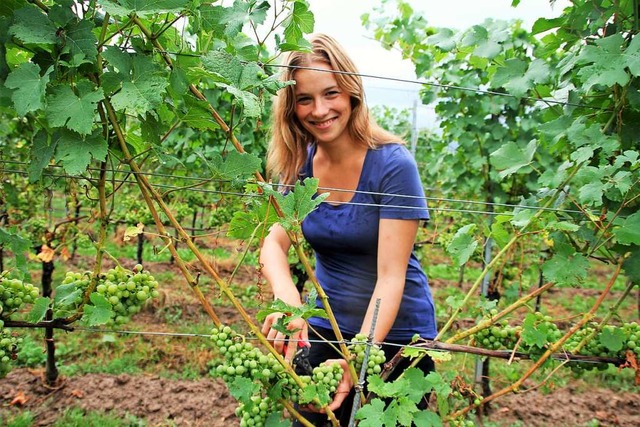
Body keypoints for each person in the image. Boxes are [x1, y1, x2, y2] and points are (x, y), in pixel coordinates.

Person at [260, 33, 438, 426]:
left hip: (395, 336)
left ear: (352, 93)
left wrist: (359, 358)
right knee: (311, 419)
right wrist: (288, 299)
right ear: (290, 108)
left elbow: (391, 278)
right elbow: (274, 241)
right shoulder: (299, 165)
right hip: (325, 325)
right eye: (304, 99)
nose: (319, 109)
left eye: (331, 93)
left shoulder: (392, 166)